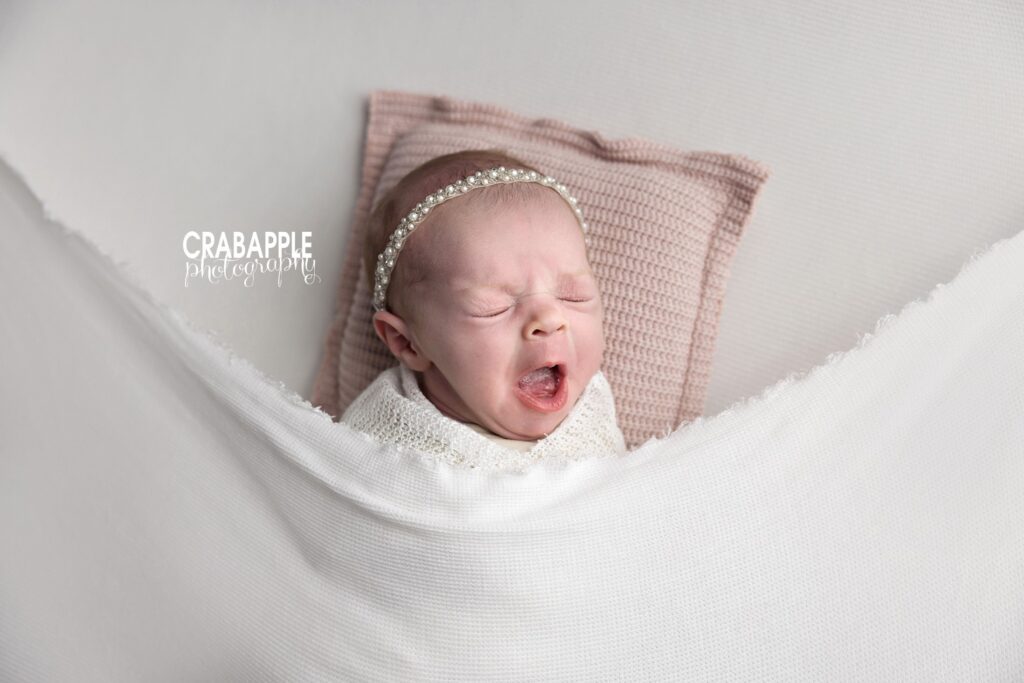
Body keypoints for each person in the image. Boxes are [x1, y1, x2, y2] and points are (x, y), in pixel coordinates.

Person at [340, 149, 626, 471]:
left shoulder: (595, 421)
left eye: (574, 296)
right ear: (407, 343)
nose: (548, 319)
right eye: (493, 309)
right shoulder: (378, 446)